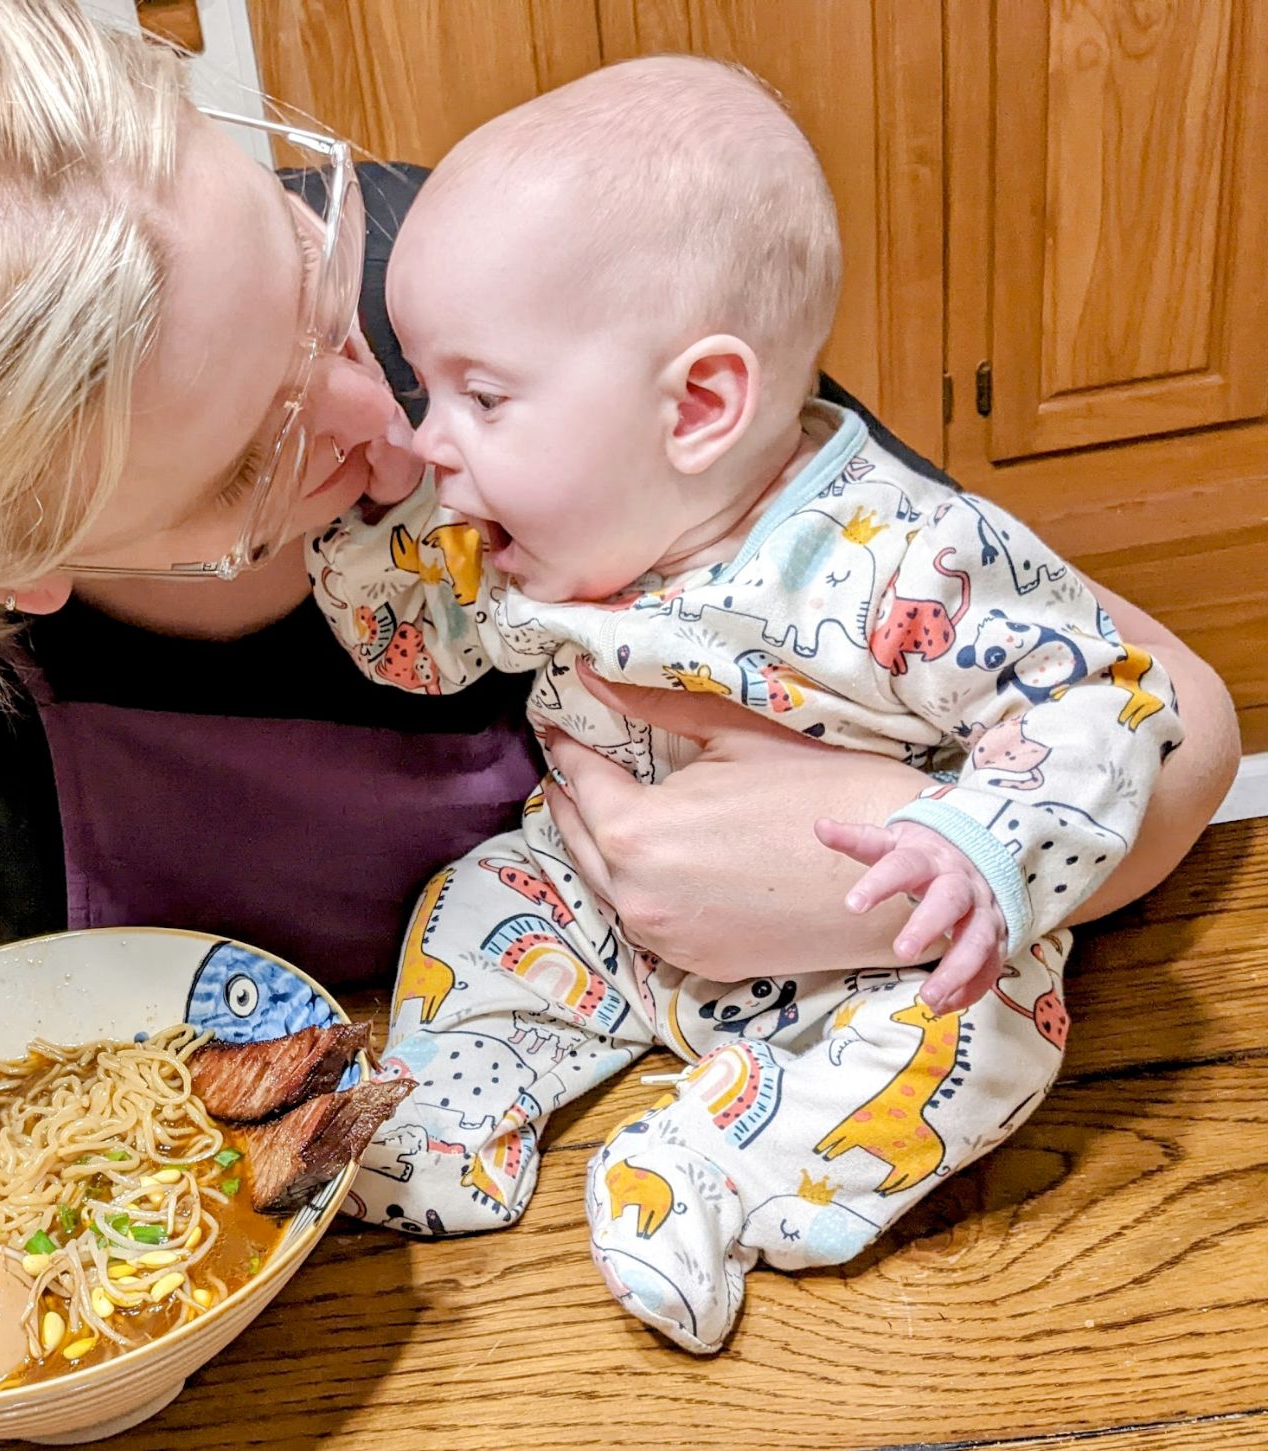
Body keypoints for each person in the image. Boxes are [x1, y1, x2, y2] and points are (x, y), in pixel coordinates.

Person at [0, 0, 1236, 1140]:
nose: (396, 420)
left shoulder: (503, 303)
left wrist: (898, 863)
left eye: (311, 264)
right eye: (265, 453)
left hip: (726, 1112)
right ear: (6, 573)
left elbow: (1182, 720)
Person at [309, 57, 1183, 1353]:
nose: (434, 439)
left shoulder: (905, 557)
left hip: (859, 958)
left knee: (985, 1036)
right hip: (597, 905)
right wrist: (378, 522)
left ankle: (716, 1168)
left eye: (480, 398)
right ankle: (443, 1122)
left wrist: (978, 838)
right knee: (480, 903)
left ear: (700, 407)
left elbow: (1109, 692)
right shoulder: (530, 534)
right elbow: (420, 653)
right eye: (427, 394)